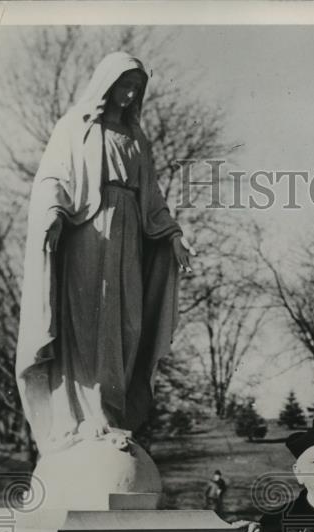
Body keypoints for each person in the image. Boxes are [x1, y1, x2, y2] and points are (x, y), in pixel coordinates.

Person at [15, 51, 196, 456]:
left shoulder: (137, 139)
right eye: (124, 85)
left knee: (126, 325)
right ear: (107, 84)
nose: (130, 94)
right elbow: (52, 178)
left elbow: (153, 200)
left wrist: (172, 235)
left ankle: (112, 415)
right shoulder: (75, 128)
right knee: (87, 323)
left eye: (137, 87)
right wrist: (53, 214)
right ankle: (81, 417)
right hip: (88, 234)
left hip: (130, 235)